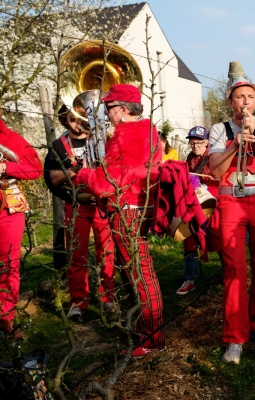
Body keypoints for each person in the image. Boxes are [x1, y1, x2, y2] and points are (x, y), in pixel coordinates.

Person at [73, 84, 164, 359]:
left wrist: (84, 174)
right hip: (135, 208)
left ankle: (152, 338)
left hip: (127, 211)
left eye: (109, 107)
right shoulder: (145, 131)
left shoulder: (126, 136)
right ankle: (145, 331)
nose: (105, 113)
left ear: (123, 110)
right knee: (136, 273)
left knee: (139, 275)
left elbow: (105, 183)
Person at [208, 77, 255, 365]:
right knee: (234, 270)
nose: (246, 101)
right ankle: (234, 338)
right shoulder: (219, 129)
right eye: (240, 97)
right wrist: (235, 144)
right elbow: (214, 170)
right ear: (230, 102)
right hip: (232, 203)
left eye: (250, 96)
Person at [44, 105, 115, 319]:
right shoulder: (58, 145)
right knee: (77, 255)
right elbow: (52, 178)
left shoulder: (102, 140)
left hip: (101, 204)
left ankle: (107, 298)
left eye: (80, 117)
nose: (77, 122)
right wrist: (76, 170)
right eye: (71, 118)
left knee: (107, 253)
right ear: (65, 121)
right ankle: (78, 302)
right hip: (76, 205)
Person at [0, 114, 42, 340]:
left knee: (9, 264)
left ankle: (7, 318)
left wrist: (4, 166)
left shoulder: (12, 138)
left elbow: (34, 170)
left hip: (7, 211)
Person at [176, 125, 221, 295]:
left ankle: (228, 273)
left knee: (219, 238)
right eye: (193, 143)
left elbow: (220, 177)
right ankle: (190, 279)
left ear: (207, 142)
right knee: (190, 240)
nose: (195, 146)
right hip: (194, 203)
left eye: (199, 143)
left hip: (213, 203)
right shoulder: (189, 158)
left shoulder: (214, 156)